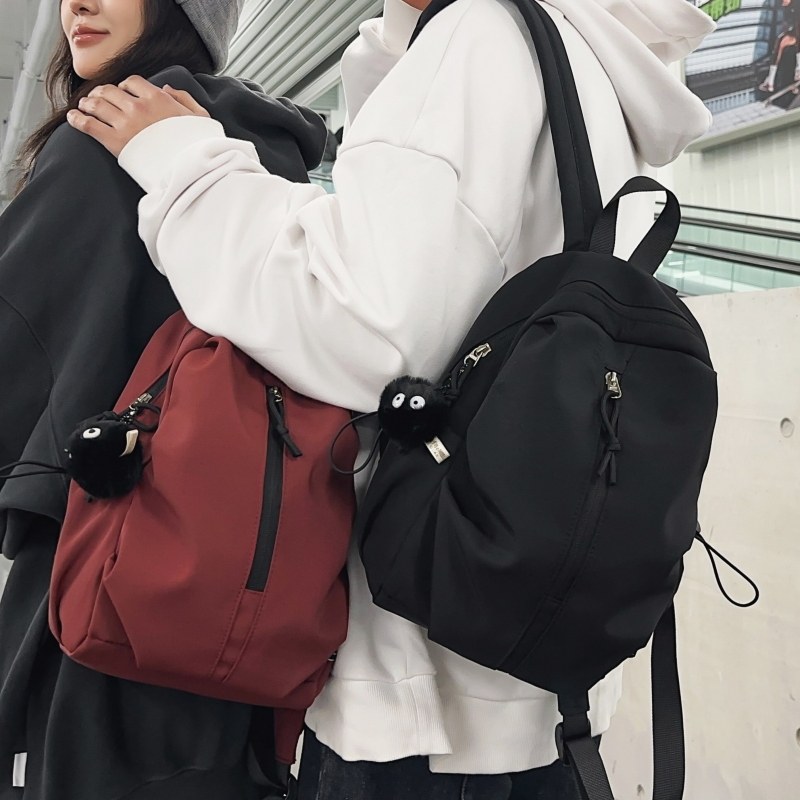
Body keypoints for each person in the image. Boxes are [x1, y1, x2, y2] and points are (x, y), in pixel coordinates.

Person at [69, 0, 716, 797]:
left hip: (420, 707)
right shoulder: (583, 60)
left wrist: (187, 164)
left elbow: (362, 328)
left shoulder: (478, 37)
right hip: (536, 690)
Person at [0, 1, 326, 798]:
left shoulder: (107, 137)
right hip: (237, 600)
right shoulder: (268, 167)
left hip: (91, 594)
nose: (77, 4)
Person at [759, 0, 800, 94]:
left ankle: (798, 71)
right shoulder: (787, 8)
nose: (782, 3)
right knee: (780, 42)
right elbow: (789, 24)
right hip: (795, 32)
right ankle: (770, 81)